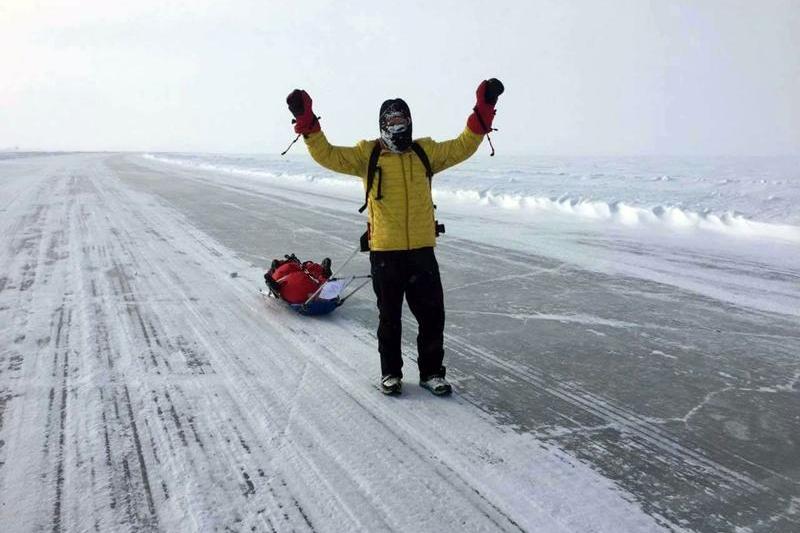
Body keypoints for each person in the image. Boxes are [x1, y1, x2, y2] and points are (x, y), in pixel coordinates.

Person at [285, 79, 504, 395]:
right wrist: (306, 120)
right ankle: (391, 374)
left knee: (432, 317)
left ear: (410, 121)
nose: (396, 125)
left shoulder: (425, 152)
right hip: (385, 252)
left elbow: (464, 144)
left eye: (401, 120)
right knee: (390, 319)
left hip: (422, 251)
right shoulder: (367, 155)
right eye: (391, 121)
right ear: (382, 124)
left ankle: (431, 374)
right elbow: (327, 155)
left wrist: (485, 106)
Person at [265, 255, 332, 305]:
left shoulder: (279, 271)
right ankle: (323, 273)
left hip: (289, 288)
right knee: (307, 270)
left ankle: (277, 287)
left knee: (285, 281)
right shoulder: (291, 265)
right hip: (305, 285)